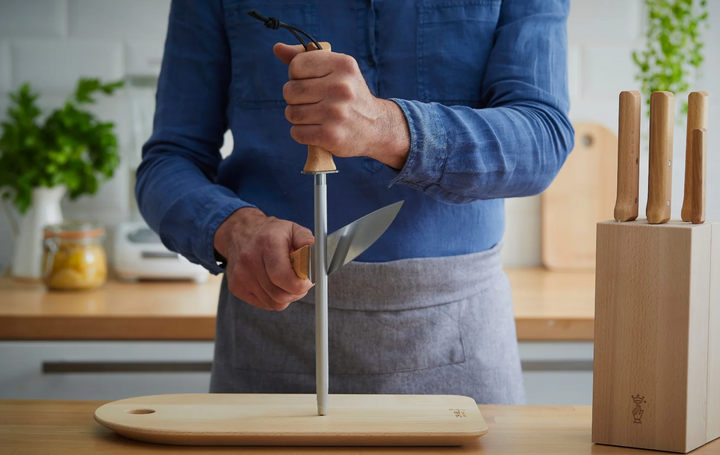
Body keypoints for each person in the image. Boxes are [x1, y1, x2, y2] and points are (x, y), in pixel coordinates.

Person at [136, 0, 574, 404]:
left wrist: (387, 127)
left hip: (459, 336)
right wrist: (234, 229)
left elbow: (543, 138)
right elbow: (169, 160)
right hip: (268, 334)